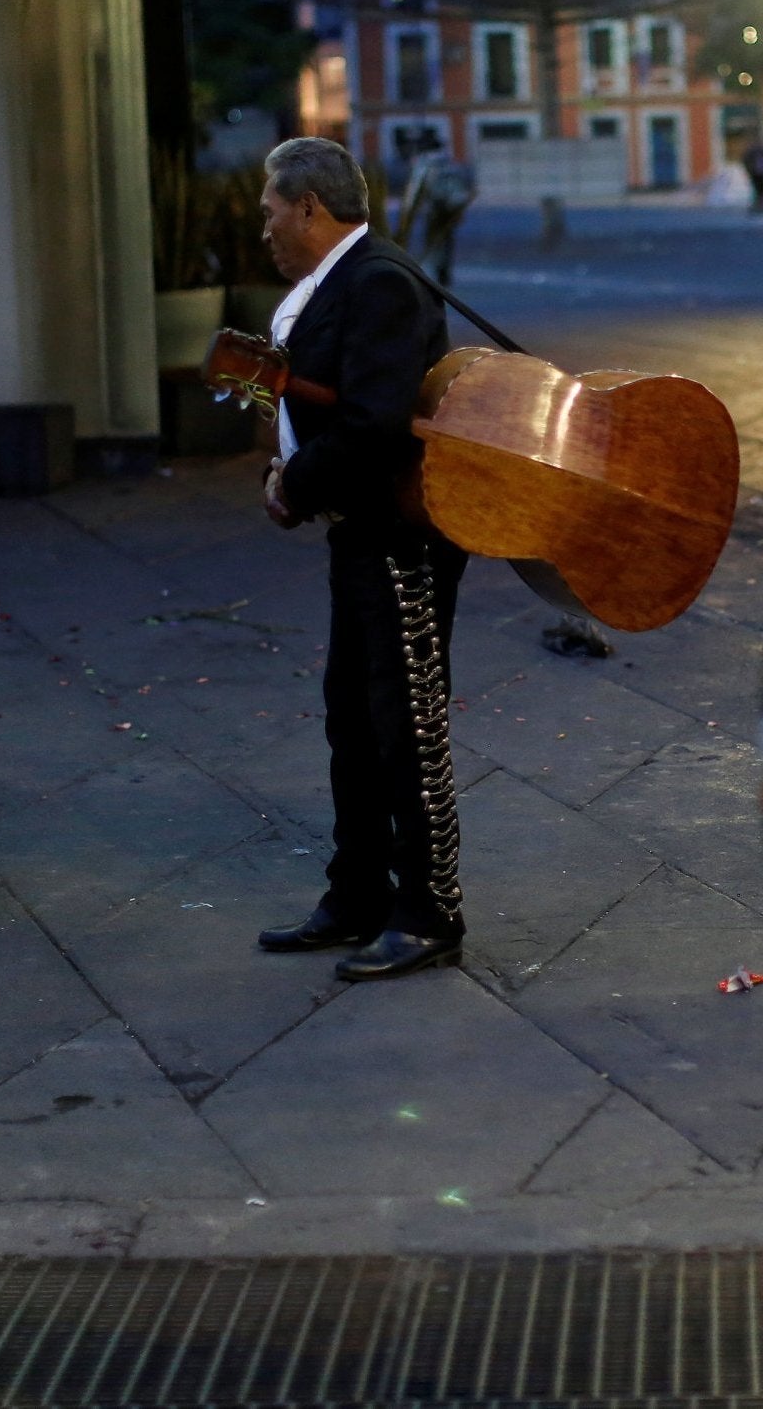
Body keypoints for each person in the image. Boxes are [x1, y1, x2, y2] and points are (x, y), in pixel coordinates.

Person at [253, 138, 471, 982]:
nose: (266, 227)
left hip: (403, 540)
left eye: (272, 210)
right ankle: (356, 892)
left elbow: (376, 423)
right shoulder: (345, 278)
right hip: (364, 533)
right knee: (352, 713)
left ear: (309, 206)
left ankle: (429, 911)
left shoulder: (378, 279)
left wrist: (293, 484)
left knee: (404, 725)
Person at [395, 130, 476, 286]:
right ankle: (445, 270)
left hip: (436, 207)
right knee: (447, 239)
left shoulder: (424, 163)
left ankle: (437, 272)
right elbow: (461, 185)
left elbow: (415, 188)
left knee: (433, 239)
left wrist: (407, 211)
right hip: (452, 206)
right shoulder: (448, 161)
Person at [740, 138, 763, 214]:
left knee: (761, 192)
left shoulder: (760, 152)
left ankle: (762, 207)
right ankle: (761, 207)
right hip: (759, 174)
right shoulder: (758, 152)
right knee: (760, 192)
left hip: (762, 174)